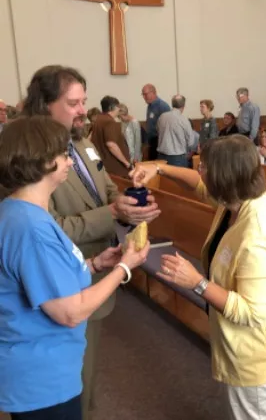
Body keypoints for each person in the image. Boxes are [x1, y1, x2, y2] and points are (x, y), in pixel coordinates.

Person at [21, 65, 161, 420]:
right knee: (65, 384)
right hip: (62, 284)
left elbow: (104, 187)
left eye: (84, 100)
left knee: (86, 370)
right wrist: (111, 213)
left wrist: (128, 205)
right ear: (44, 106)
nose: (84, 110)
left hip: (95, 271)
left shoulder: (81, 143)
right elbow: (46, 229)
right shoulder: (28, 160)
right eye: (73, 103)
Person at [131, 135, 266, 420]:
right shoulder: (237, 199)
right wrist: (159, 169)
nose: (199, 169)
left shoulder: (256, 235)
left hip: (258, 352)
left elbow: (251, 312)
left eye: (205, 167)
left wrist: (197, 282)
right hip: (241, 346)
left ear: (224, 176)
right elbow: (198, 187)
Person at [91, 96, 131, 178]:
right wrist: (126, 162)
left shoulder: (99, 119)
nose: (119, 109)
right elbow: (111, 144)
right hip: (115, 168)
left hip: (104, 166)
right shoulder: (110, 122)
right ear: (112, 108)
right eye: (118, 107)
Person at [156, 94, 195, 167]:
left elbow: (158, 132)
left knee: (163, 178)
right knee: (179, 178)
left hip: (161, 157)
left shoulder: (162, 117)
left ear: (172, 104)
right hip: (177, 158)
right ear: (183, 106)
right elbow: (191, 142)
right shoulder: (184, 120)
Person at [141, 84, 171, 160]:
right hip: (152, 142)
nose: (144, 97)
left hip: (160, 142)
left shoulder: (163, 106)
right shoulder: (149, 106)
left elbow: (168, 126)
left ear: (153, 93)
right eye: (143, 94)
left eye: (145, 94)